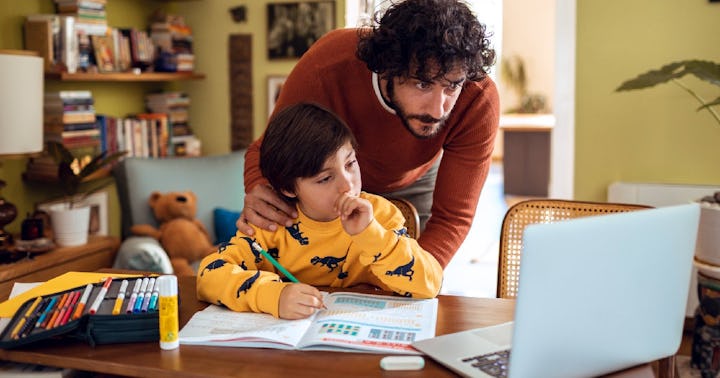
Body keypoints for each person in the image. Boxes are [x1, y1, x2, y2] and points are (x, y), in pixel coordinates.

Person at [239, 0, 499, 269]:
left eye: (451, 87)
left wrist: (417, 279)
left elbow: (452, 218)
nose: (438, 109)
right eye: (422, 84)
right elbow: (265, 150)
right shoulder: (327, 66)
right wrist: (261, 188)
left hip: (415, 180)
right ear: (388, 67)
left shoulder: (478, 98)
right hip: (328, 181)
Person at [197, 103, 443, 320]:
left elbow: (430, 284)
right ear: (288, 188)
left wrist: (372, 235)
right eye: (325, 178)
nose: (347, 184)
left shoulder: (381, 215)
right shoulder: (271, 224)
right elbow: (209, 275)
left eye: (350, 163)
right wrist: (272, 296)